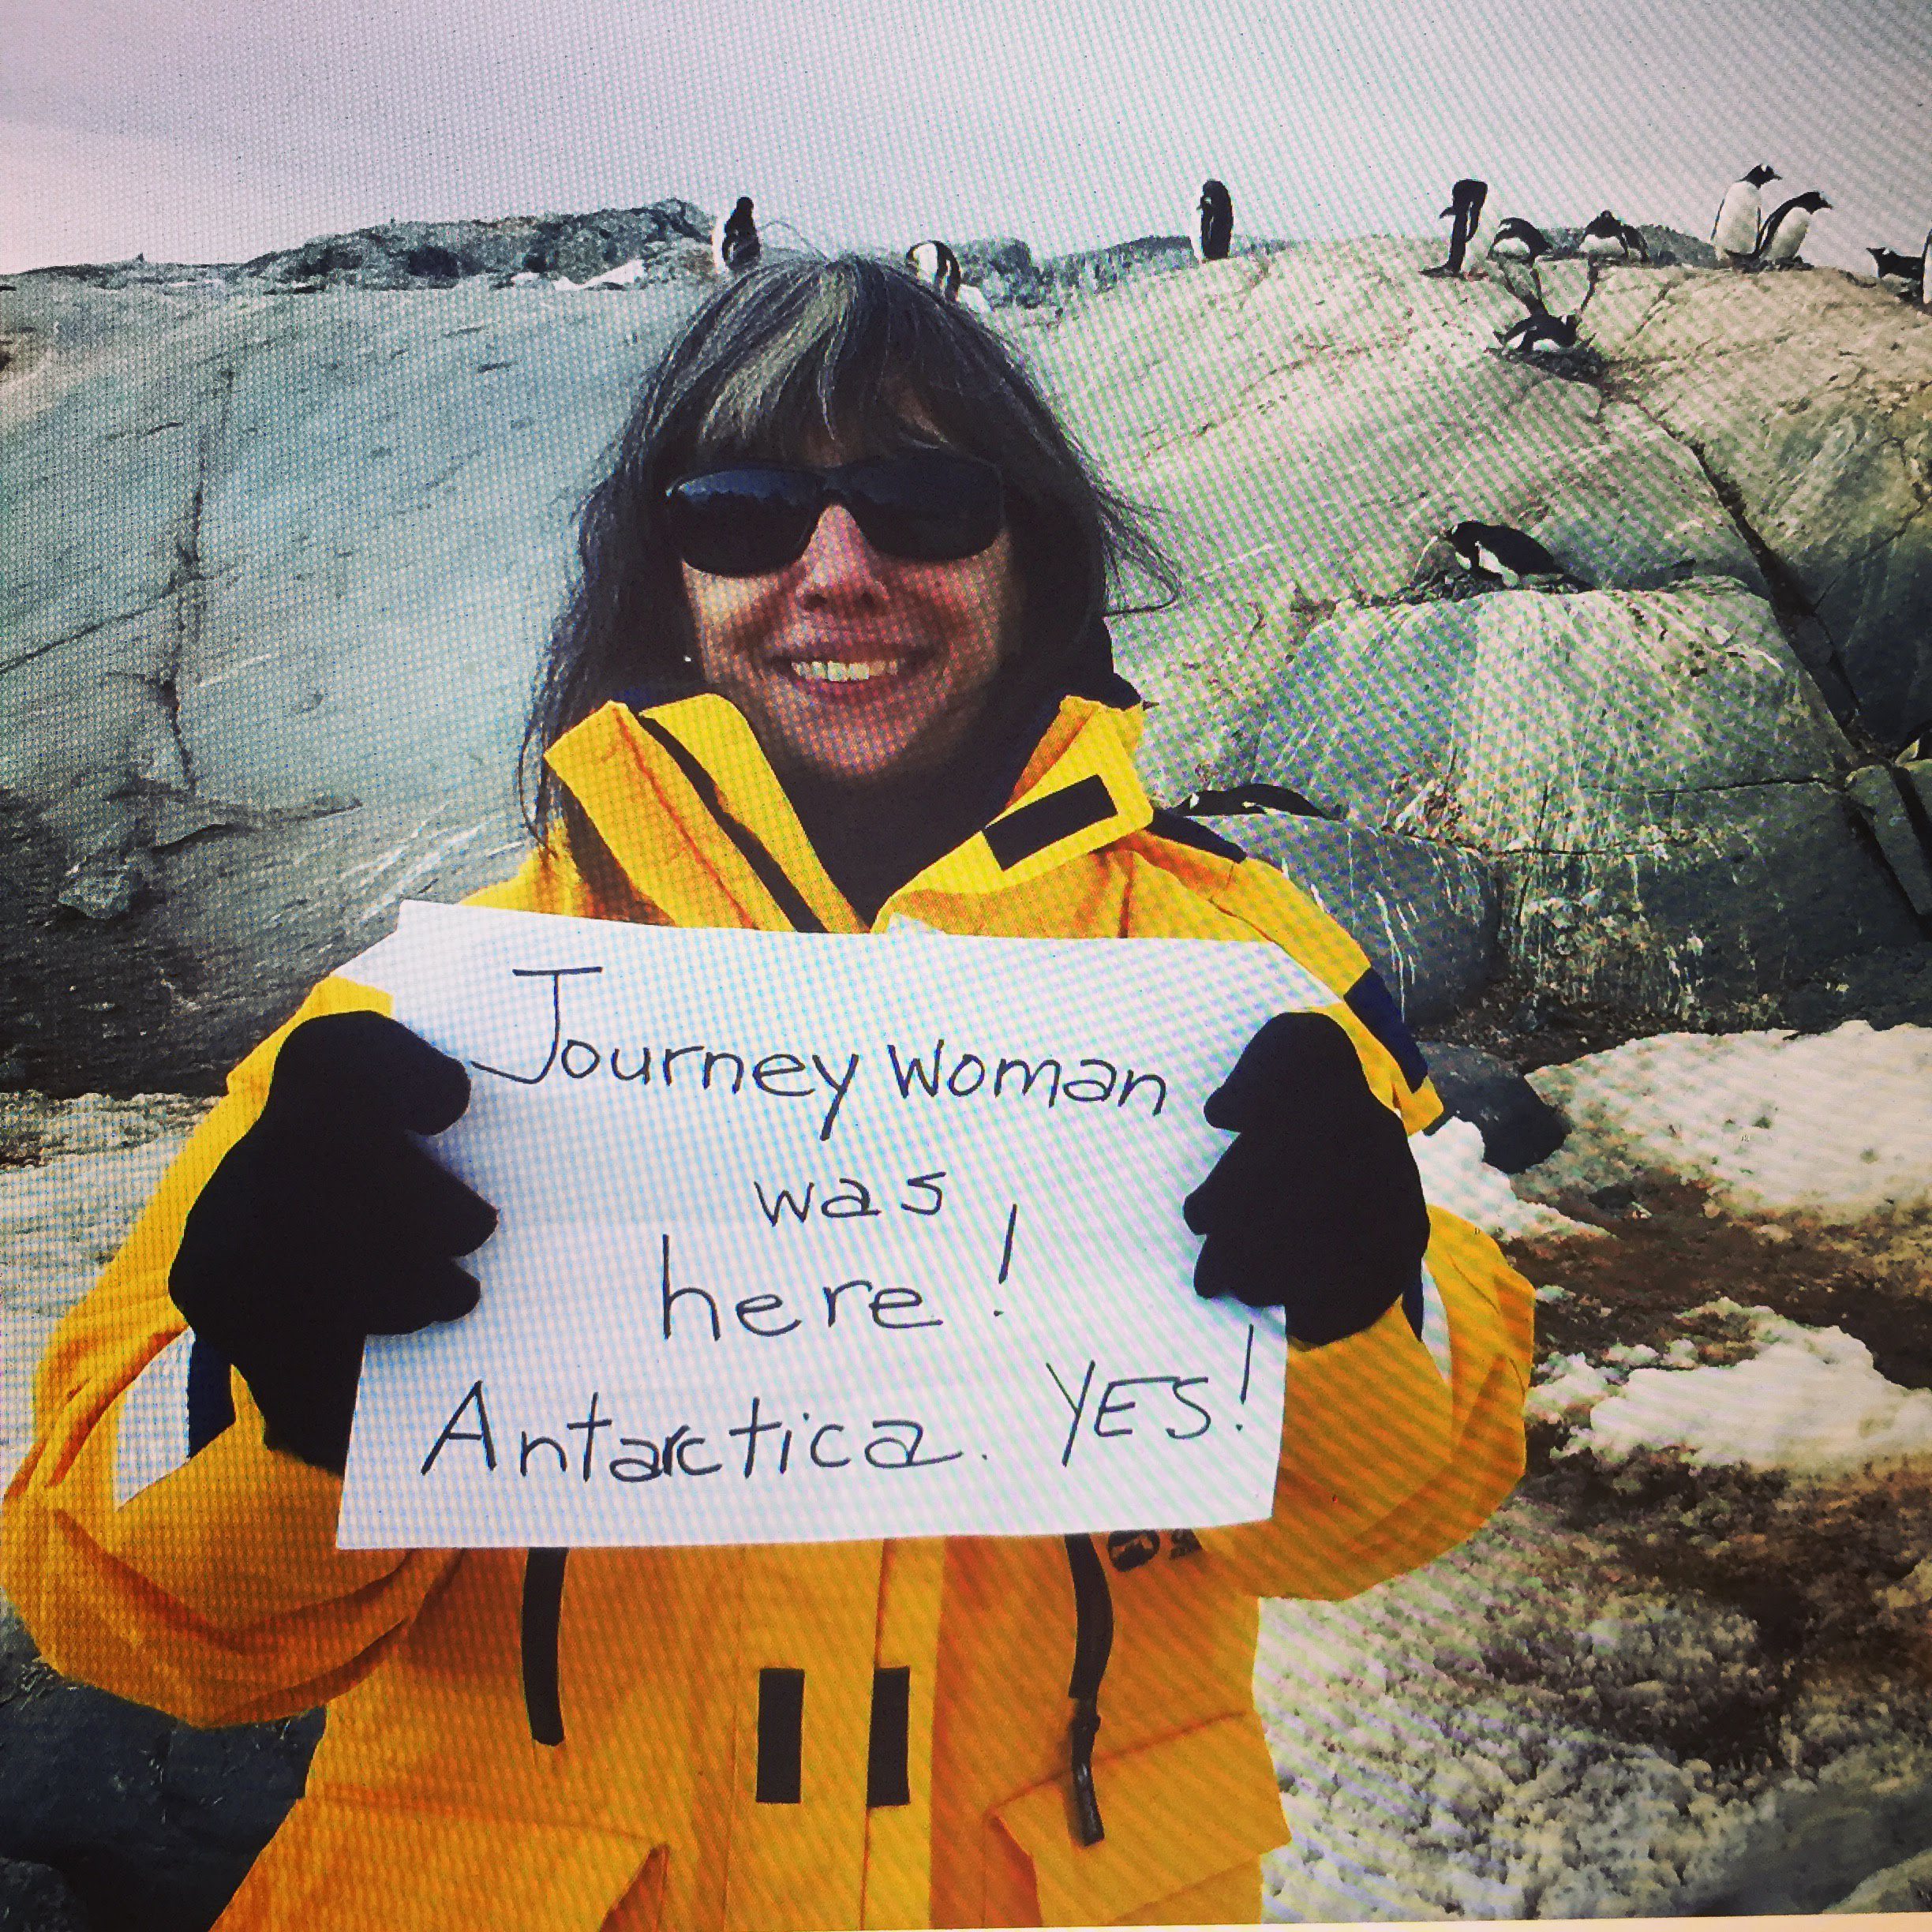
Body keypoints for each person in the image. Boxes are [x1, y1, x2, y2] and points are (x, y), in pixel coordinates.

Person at [2, 255, 1532, 1930]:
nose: (839, 572)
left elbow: (1381, 1514)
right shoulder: (437, 1017)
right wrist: (270, 1396)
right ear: (666, 578)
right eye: (741, 511)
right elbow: (112, 1609)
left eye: (924, 500)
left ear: (1032, 552)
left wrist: (1357, 1311)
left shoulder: (1252, 983)